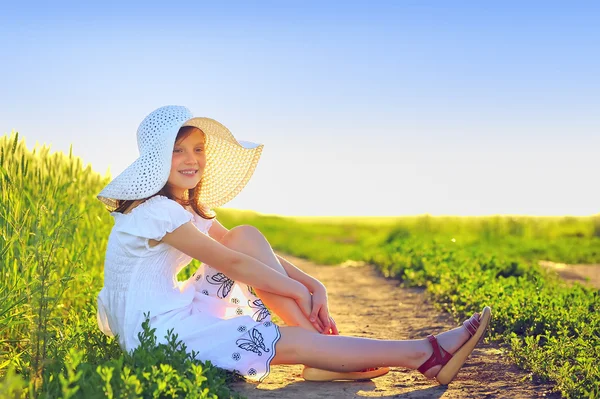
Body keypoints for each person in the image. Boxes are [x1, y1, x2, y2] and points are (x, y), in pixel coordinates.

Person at [96, 105, 492, 385]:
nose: (192, 159)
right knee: (282, 338)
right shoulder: (154, 212)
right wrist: (297, 290)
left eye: (198, 149)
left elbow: (241, 248)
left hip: (175, 309)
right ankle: (426, 353)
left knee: (245, 233)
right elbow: (235, 266)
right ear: (156, 159)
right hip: (158, 336)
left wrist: (312, 282)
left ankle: (326, 358)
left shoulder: (183, 207)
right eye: (178, 150)